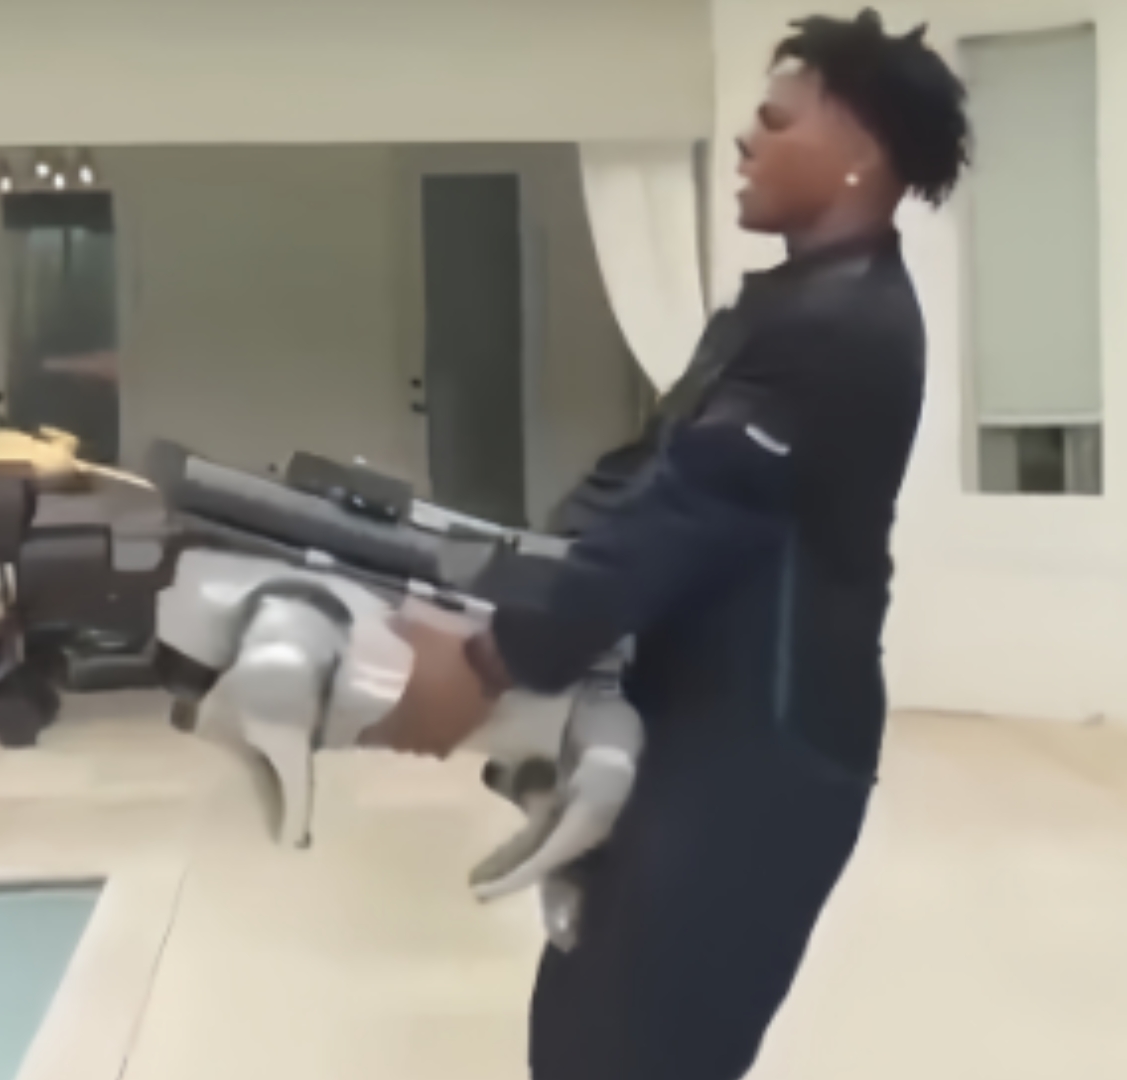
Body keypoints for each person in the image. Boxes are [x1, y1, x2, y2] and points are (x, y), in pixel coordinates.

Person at [364, 11, 970, 1079]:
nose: (746, 137)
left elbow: (681, 518)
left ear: (858, 155)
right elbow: (636, 478)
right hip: (700, 727)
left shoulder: (844, 330)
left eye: (776, 121)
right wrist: (479, 585)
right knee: (583, 1036)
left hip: (762, 758)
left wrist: (491, 659)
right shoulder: (785, 310)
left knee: (636, 1052)